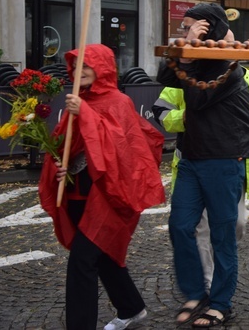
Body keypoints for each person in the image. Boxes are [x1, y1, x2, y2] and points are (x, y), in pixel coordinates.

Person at [38, 44, 165, 330]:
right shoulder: (78, 101)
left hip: (108, 196)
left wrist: (85, 113)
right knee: (105, 255)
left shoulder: (117, 102)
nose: (78, 71)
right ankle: (131, 307)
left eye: (86, 65)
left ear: (103, 67)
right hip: (78, 193)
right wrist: (62, 167)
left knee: (82, 262)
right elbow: (70, 147)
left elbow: (118, 149)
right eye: (75, 65)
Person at [153, 41, 249, 294]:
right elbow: (161, 110)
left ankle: (220, 272)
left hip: (231, 163)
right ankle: (207, 285)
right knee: (199, 228)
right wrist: (184, 118)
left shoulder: (243, 74)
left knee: (236, 225)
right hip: (192, 160)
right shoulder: (186, 74)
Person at [156, 3, 249, 327]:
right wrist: (186, 53)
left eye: (189, 27)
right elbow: (164, 75)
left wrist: (187, 58)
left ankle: (221, 302)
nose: (183, 33)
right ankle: (196, 292)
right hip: (191, 159)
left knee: (222, 236)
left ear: (208, 27)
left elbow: (197, 99)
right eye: (183, 28)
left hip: (224, 160)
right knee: (180, 226)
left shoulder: (229, 65)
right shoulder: (194, 57)